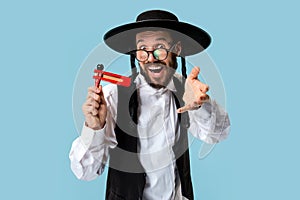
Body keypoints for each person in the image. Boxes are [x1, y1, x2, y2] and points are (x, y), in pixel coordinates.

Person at [69, 10, 230, 200]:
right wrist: (94, 128)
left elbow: (218, 134)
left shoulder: (186, 90)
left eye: (160, 47)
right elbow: (85, 172)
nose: (151, 58)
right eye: (142, 49)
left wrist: (201, 105)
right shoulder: (112, 96)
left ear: (177, 49)